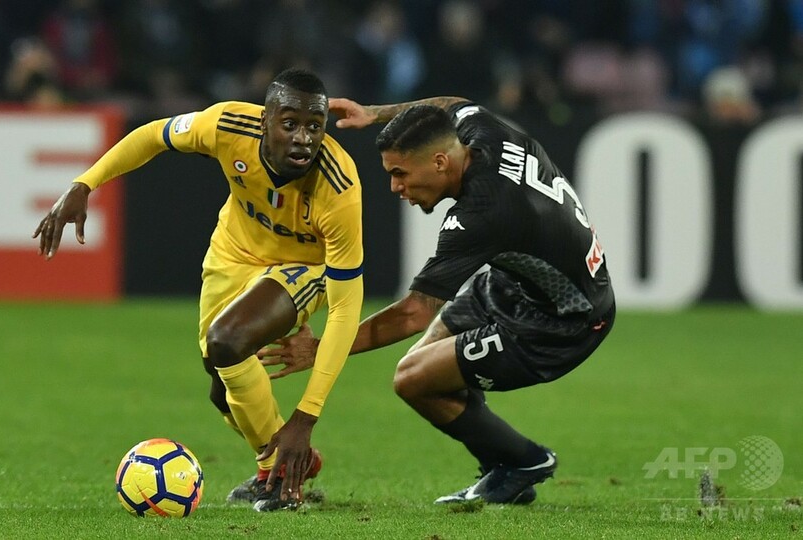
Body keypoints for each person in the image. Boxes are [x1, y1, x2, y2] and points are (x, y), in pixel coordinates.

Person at [32, 68, 364, 512]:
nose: (303, 139)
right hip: (233, 253)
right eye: (290, 124)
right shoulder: (226, 125)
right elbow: (152, 135)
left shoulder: (339, 186)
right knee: (221, 385)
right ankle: (282, 462)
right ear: (265, 120)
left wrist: (306, 417)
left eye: (314, 127)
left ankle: (278, 476)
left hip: (305, 268)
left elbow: (346, 309)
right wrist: (84, 183)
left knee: (227, 341)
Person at [259, 95, 615, 505]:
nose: (395, 188)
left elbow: (413, 313)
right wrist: (375, 114)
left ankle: (524, 461)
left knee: (413, 379)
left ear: (440, 162)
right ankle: (504, 464)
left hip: (563, 323)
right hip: (513, 284)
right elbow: (452, 103)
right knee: (425, 373)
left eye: (400, 174)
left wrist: (321, 350)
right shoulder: (481, 130)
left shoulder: (482, 214)